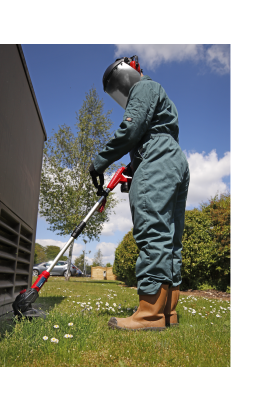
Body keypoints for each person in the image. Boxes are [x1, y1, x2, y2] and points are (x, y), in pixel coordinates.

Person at [89, 56, 190, 331]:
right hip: (173, 159)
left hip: (157, 158)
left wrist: (99, 162)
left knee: (153, 231)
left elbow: (131, 129)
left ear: (130, 70)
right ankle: (168, 312)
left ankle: (149, 314)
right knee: (171, 237)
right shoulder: (159, 95)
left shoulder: (143, 87)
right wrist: (134, 168)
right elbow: (149, 134)